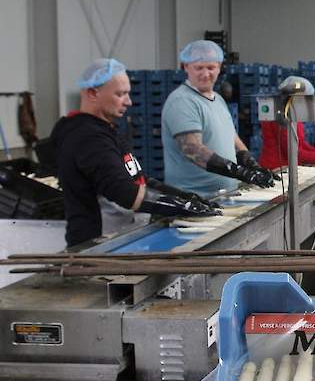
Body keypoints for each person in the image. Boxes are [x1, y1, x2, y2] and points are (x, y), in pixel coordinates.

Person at [52, 58, 218, 246]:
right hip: (98, 246)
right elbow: (124, 192)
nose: (129, 102)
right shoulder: (87, 138)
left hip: (121, 238)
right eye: (120, 94)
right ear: (92, 93)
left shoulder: (107, 130)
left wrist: (183, 196)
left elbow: (137, 178)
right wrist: (182, 207)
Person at [162, 40, 277, 196]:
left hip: (224, 195)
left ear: (219, 67)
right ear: (186, 67)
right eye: (198, 68)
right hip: (195, 199)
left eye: (211, 67)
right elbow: (192, 149)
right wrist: (240, 172)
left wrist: (254, 167)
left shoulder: (218, 99)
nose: (205, 74)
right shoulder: (182, 101)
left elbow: (233, 139)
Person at [258, 77, 315, 169]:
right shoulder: (280, 118)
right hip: (276, 168)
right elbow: (293, 153)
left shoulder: (294, 114)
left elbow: (301, 144)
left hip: (288, 166)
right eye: (304, 99)